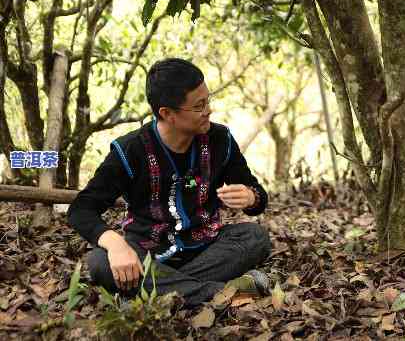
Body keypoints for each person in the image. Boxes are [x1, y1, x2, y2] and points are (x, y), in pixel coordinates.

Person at [67, 58, 272, 308]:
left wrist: (252, 197)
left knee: (255, 236)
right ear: (167, 113)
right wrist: (115, 243)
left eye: (208, 101)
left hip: (206, 247)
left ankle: (159, 293)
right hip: (147, 252)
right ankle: (221, 292)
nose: (208, 110)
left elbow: (257, 197)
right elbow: (81, 209)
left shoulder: (220, 139)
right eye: (199, 106)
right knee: (100, 262)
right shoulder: (130, 149)